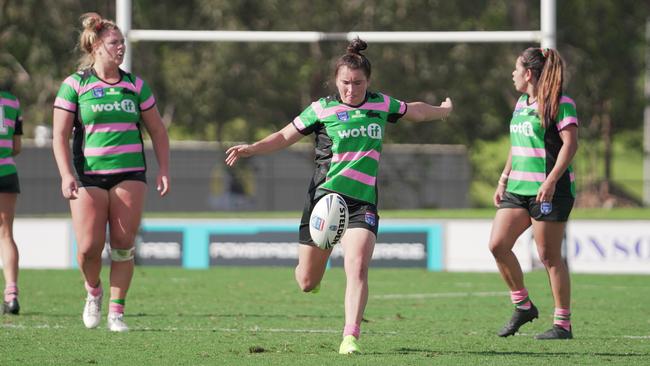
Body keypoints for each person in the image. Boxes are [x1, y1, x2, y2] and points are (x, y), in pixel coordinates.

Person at [225, 38, 452, 354]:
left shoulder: (379, 104)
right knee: (306, 281)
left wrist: (442, 110)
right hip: (324, 202)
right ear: (335, 81)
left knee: (357, 266)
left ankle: (350, 336)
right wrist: (253, 148)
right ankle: (314, 278)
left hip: (362, 203)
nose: (351, 89)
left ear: (368, 82)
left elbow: (414, 111)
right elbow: (284, 136)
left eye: (358, 83)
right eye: (345, 83)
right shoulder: (322, 109)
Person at [52, 13, 170, 332]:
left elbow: (158, 131)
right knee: (89, 248)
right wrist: (66, 175)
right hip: (88, 175)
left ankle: (116, 312)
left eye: (123, 43)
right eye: (114, 43)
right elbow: (60, 136)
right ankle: (94, 292)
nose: (121, 48)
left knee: (122, 244)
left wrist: (163, 170)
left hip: (130, 173)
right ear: (96, 46)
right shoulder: (75, 85)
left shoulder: (135, 85)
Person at [488, 47, 578, 340]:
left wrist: (551, 181)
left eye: (516, 69)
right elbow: (517, 145)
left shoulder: (561, 103)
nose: (512, 74)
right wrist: (503, 179)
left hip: (548, 191)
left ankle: (562, 325)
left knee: (549, 256)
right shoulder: (520, 103)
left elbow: (570, 145)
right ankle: (523, 305)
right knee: (498, 245)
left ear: (528, 73)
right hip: (517, 189)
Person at [0, 90, 23, 315]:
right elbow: (16, 146)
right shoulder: (11, 100)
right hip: (6, 170)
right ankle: (11, 294)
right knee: (6, 235)